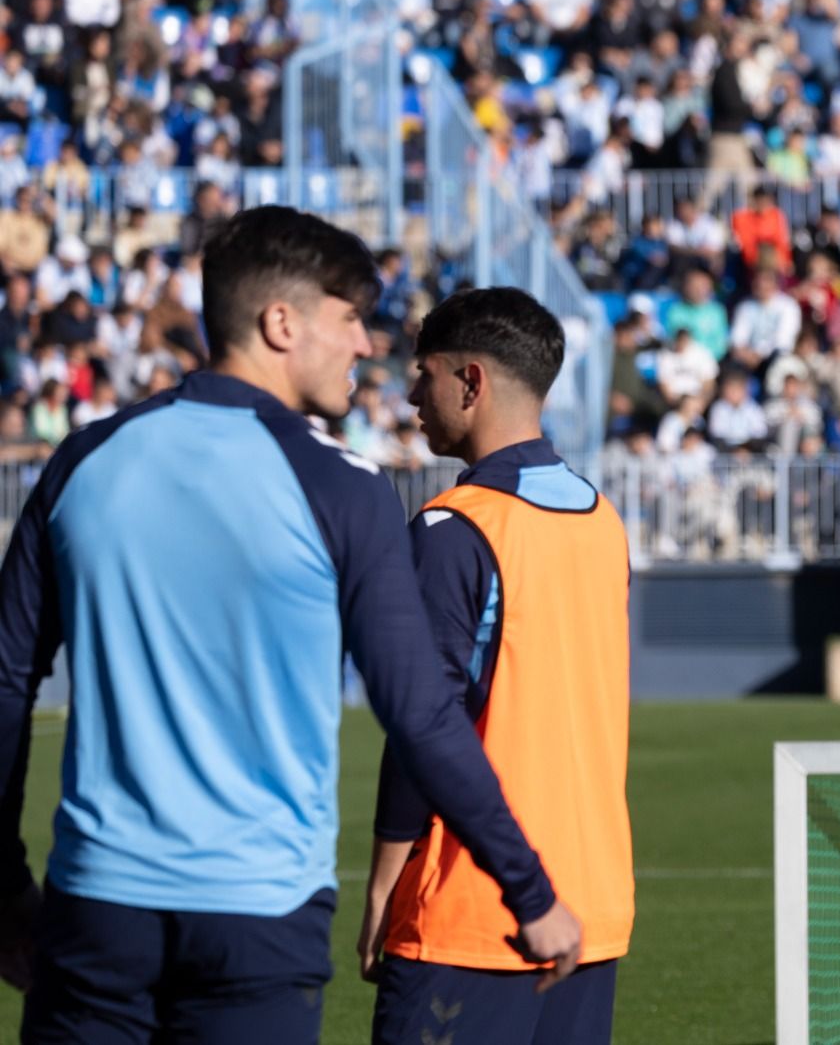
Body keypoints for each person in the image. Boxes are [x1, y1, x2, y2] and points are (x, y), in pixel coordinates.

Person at [0, 207, 581, 1044]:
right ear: (281, 323)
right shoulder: (343, 488)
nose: (366, 345)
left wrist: (1, 883)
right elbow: (419, 713)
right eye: (349, 318)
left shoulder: (84, 461)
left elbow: (7, 679)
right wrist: (529, 890)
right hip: (260, 917)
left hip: (99, 908)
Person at [361, 288, 634, 1044]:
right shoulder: (602, 519)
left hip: (472, 908)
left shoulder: (454, 527)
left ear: (471, 382)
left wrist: (384, 880)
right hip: (592, 902)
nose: (411, 394)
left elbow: (423, 724)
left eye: (425, 375)